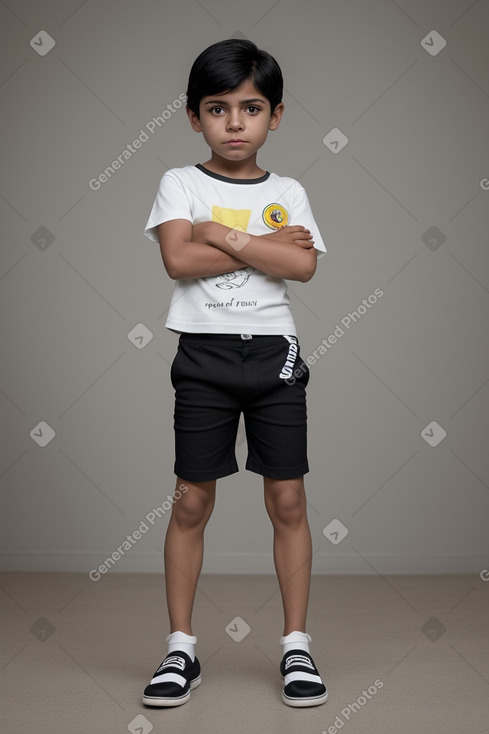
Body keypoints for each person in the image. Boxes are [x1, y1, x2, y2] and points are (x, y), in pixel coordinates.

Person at [142, 38, 327, 708]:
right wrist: (262, 249)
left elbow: (303, 268)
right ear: (194, 116)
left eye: (250, 108)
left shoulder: (289, 191)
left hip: (273, 353)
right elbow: (176, 262)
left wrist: (218, 234)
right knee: (191, 500)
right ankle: (180, 650)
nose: (234, 122)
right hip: (203, 357)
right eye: (217, 108)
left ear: (274, 115)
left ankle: (296, 648)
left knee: (287, 500)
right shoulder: (178, 183)